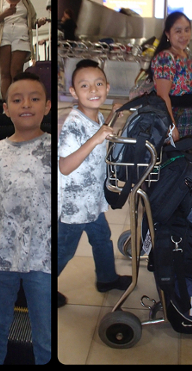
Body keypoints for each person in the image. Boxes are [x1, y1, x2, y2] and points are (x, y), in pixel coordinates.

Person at [0, 72, 51, 364]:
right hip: (0, 259)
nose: (25, 104)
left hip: (44, 260)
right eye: (17, 99)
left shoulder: (55, 150)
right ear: (6, 109)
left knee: (46, 339)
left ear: (47, 106)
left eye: (34, 98)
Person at [58, 59, 130, 308]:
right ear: (73, 92)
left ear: (107, 88)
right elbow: (64, 166)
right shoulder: (73, 124)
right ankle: (43, 288)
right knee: (64, 250)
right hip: (74, 205)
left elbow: (100, 131)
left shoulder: (96, 115)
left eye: (98, 84)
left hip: (92, 199)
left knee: (102, 238)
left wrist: (112, 114)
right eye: (85, 85)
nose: (93, 90)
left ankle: (107, 279)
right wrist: (96, 139)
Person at [147, 11, 192, 142]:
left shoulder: (185, 54)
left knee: (188, 157)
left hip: (191, 116)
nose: (184, 35)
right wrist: (171, 126)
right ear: (168, 34)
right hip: (176, 116)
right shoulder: (165, 58)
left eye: (187, 30)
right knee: (174, 158)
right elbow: (162, 95)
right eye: (178, 31)